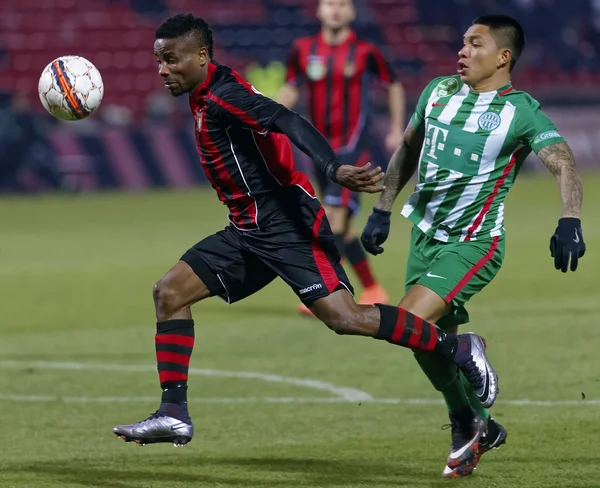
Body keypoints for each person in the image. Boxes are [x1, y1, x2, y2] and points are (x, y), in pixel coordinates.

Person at [112, 14, 499, 461]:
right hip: (247, 229)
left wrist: (333, 168)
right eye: (159, 61)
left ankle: (459, 346)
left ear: (201, 56)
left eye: (172, 60)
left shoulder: (223, 96)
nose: (163, 70)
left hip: (286, 224)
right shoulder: (204, 91)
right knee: (170, 292)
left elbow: (285, 119)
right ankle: (173, 411)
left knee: (344, 317)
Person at [361, 14, 585, 479]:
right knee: (418, 341)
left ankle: (466, 349)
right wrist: (383, 208)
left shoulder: (520, 110)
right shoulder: (438, 92)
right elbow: (408, 146)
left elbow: (563, 162)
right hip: (424, 235)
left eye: (475, 44)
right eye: (462, 42)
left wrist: (569, 219)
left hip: (474, 242)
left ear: (503, 57)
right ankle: (470, 422)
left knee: (410, 321)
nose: (462, 51)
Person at [278, 0, 405, 314]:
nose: (336, 9)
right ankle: (373, 288)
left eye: (342, 4)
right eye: (329, 4)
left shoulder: (365, 52)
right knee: (344, 229)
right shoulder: (302, 49)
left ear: (351, 13)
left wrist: (396, 128)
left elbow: (393, 85)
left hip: (354, 149)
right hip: (320, 151)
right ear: (319, 11)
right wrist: (266, 116)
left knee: (332, 218)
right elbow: (291, 88)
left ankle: (327, 293)